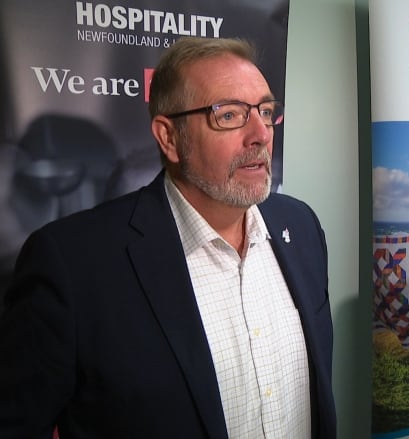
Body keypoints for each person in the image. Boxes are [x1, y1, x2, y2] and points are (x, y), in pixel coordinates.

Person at [0, 37, 336, 438]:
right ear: (169, 138)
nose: (260, 134)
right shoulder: (72, 264)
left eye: (266, 111)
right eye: (229, 115)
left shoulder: (301, 227)